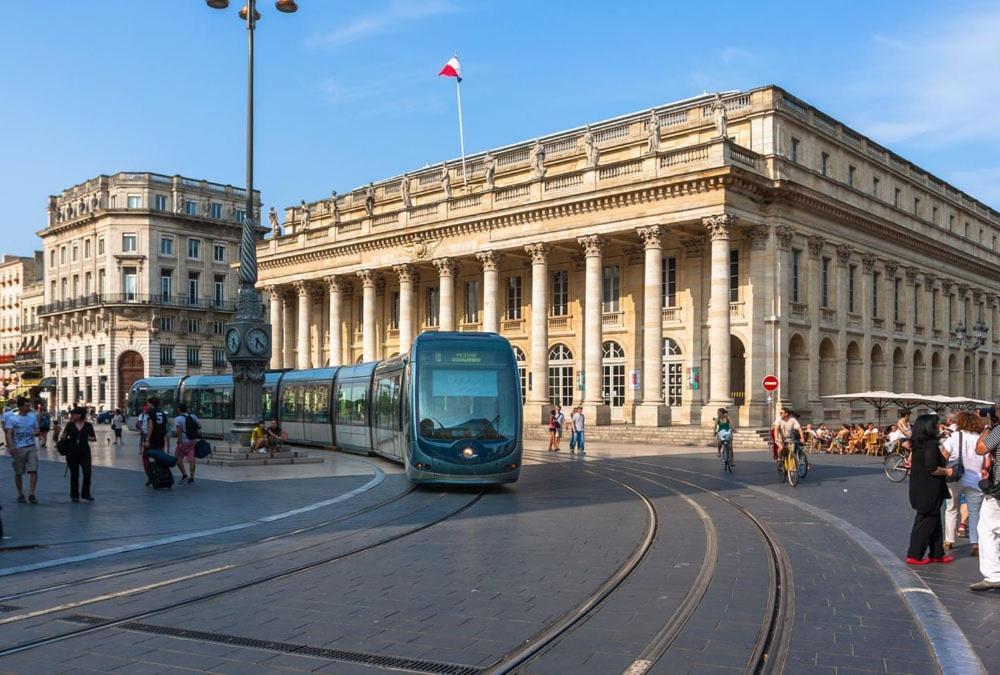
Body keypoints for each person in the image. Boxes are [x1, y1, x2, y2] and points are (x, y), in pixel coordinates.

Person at [906, 413, 954, 565]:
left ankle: (937, 553)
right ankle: (914, 554)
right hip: (929, 488)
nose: (938, 427)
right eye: (936, 425)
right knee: (925, 521)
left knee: (933, 520)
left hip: (920, 486)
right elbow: (932, 468)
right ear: (929, 427)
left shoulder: (918, 443)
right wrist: (947, 471)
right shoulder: (930, 445)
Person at [942, 411, 986, 556]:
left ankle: (949, 540)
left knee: (951, 509)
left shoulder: (955, 436)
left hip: (955, 477)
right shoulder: (981, 438)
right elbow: (987, 461)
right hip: (975, 480)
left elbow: (944, 456)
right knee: (975, 512)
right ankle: (975, 542)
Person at [972, 407, 1000, 590]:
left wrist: (988, 428)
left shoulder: (998, 430)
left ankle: (993, 575)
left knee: (986, 528)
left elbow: (981, 448)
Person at [5, 397, 40, 504]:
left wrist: (36, 432)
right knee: (19, 472)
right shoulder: (12, 419)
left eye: (29, 405)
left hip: (31, 446)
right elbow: (9, 433)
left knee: (33, 470)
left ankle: (31, 494)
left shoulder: (32, 417)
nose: (29, 407)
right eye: (26, 405)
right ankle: (20, 494)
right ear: (20, 407)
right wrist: (11, 446)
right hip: (18, 448)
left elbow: (37, 429)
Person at [60, 406, 96, 502]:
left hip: (85, 452)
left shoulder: (88, 425)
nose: (72, 415)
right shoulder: (70, 425)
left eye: (74, 414)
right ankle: (74, 495)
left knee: (87, 472)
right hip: (72, 452)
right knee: (74, 474)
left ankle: (86, 493)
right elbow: (63, 436)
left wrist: (89, 438)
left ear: (80, 415)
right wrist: (63, 437)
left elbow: (93, 438)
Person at [142, 397, 169, 486]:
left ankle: (151, 476)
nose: (147, 405)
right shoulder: (163, 413)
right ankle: (164, 476)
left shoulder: (151, 413)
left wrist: (147, 439)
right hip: (160, 440)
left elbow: (150, 426)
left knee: (145, 457)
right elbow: (164, 428)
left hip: (152, 440)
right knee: (160, 458)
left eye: (148, 403)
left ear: (151, 404)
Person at [173, 403, 200, 485]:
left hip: (184, 441)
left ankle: (184, 475)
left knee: (177, 458)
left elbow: (178, 432)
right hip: (193, 441)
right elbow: (199, 426)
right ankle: (191, 478)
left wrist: (180, 442)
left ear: (179, 409)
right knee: (192, 459)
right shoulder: (193, 416)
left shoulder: (178, 419)